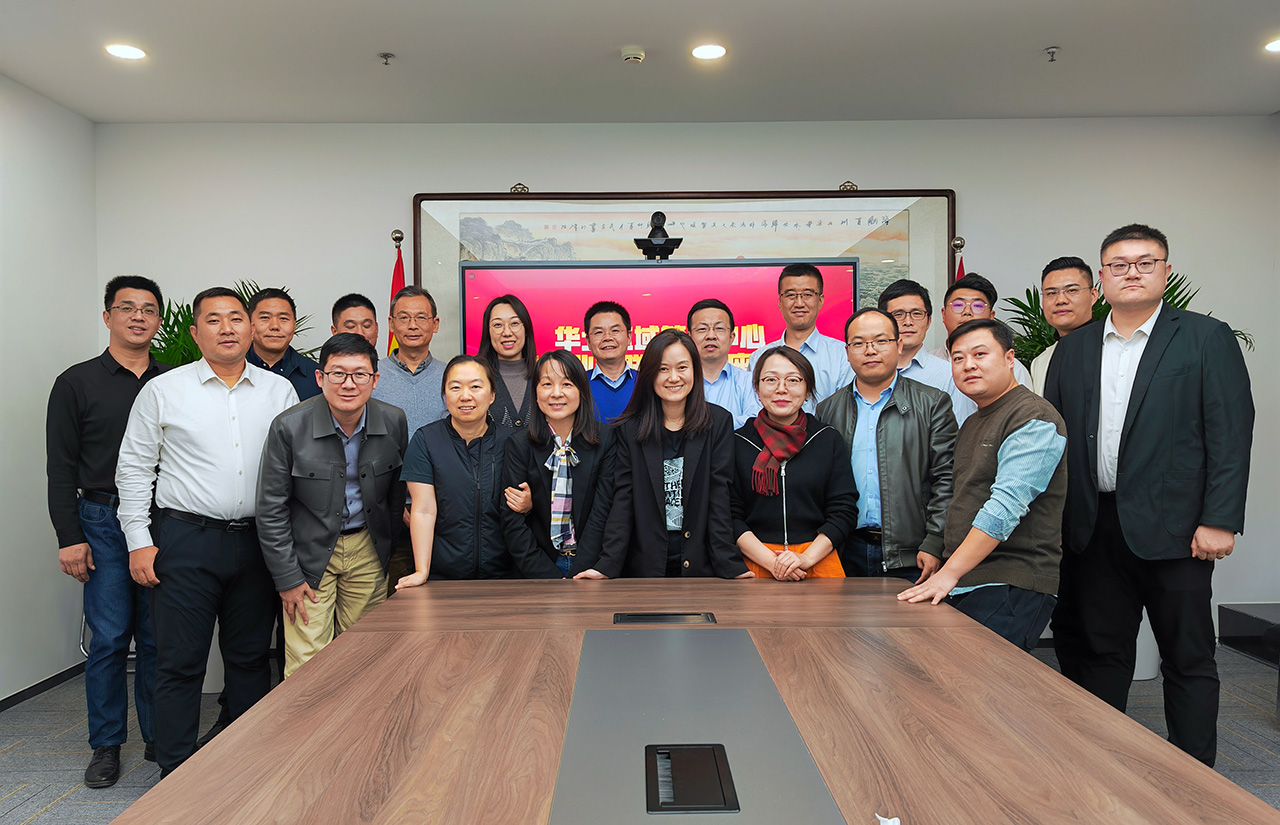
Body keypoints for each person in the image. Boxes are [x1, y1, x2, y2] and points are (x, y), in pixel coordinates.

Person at [1045, 224, 1254, 766]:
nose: (1132, 272)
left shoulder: (1205, 337)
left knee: (1188, 657)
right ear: (1101, 278)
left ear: (1165, 270)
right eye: (1119, 265)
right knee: (1100, 654)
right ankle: (1102, 770)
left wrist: (1220, 518)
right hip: (1093, 527)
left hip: (1179, 529)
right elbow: (1056, 444)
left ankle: (1193, 777)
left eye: (1145, 262)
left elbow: (1230, 432)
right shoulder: (1074, 347)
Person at [116, 287, 299, 775]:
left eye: (236, 318)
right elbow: (134, 469)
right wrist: (139, 541)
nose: (227, 328)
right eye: (213, 320)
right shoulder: (163, 391)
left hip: (257, 543)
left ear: (251, 329)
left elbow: (294, 470)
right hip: (185, 541)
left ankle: (244, 764)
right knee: (180, 662)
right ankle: (175, 769)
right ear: (195, 333)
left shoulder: (279, 391)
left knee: (250, 658)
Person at [46, 275, 167, 788]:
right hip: (100, 520)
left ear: (158, 320)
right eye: (127, 308)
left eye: (148, 309)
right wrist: (68, 536)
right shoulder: (76, 382)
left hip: (163, 520)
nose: (138, 316)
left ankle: (161, 739)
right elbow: (59, 467)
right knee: (111, 638)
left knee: (159, 638)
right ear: (107, 317)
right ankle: (107, 744)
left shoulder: (173, 381)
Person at [899, 319, 1066, 654]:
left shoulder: (1032, 416)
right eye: (958, 358)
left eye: (979, 354)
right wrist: (939, 552)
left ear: (1009, 359)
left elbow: (1004, 508)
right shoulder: (974, 421)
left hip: (1010, 581)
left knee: (985, 682)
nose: (968, 365)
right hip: (970, 579)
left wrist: (949, 573)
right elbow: (961, 495)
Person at [255, 333, 408, 676]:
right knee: (308, 662)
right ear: (320, 377)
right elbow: (271, 509)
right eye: (338, 373)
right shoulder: (289, 427)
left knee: (365, 656)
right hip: (308, 554)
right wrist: (287, 578)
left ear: (375, 379)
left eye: (360, 374)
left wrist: (385, 552)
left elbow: (394, 496)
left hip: (367, 549)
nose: (348, 384)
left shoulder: (394, 421)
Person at [582, 329, 751, 579]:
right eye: (663, 369)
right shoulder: (630, 430)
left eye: (682, 367)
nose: (674, 377)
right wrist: (606, 566)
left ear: (695, 370)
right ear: (649, 374)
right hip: (644, 568)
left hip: (702, 566)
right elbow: (623, 502)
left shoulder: (718, 422)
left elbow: (719, 497)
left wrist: (731, 566)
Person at [817, 308, 955, 582]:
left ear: (898, 345)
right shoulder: (827, 410)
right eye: (859, 343)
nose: (870, 350)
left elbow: (947, 478)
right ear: (847, 352)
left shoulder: (932, 404)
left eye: (881, 341)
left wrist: (934, 541)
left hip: (913, 553)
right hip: (844, 549)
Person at [730, 346, 856, 580]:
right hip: (755, 562)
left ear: (807, 390)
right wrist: (773, 563)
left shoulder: (826, 439)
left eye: (793, 380)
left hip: (816, 560)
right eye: (771, 380)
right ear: (756, 388)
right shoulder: (738, 442)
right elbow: (730, 514)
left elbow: (843, 510)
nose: (781, 389)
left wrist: (805, 559)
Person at [395, 355, 513, 585]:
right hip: (443, 576)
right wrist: (421, 571)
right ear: (444, 394)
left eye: (476, 387)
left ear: (492, 395)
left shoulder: (512, 442)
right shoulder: (426, 440)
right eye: (455, 387)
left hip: (505, 575)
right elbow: (423, 510)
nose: (465, 396)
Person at [500, 350, 616, 578]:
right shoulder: (519, 445)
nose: (556, 393)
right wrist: (548, 576)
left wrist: (580, 570)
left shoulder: (605, 439)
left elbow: (603, 511)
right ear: (535, 392)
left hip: (592, 567)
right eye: (546, 384)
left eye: (567, 384)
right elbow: (511, 520)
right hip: (538, 568)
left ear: (581, 390)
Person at [370, 285, 448, 591]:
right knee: (395, 599)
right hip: (386, 511)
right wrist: (396, 504)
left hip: (445, 511)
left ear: (435, 324)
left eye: (421, 318)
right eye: (404, 318)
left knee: (446, 600)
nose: (412, 325)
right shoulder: (371, 376)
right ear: (391, 324)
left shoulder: (452, 377)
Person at [747, 263, 853, 407]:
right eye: (791, 295)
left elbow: (844, 409)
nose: (799, 303)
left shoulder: (842, 355)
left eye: (807, 295)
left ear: (820, 300)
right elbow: (755, 408)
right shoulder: (759, 357)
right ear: (780, 302)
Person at [878, 279, 973, 423]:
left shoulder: (949, 375)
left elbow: (960, 429)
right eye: (898, 314)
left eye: (916, 314)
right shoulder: (864, 370)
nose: (908, 322)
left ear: (928, 321)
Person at [929, 273, 1034, 391]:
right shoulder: (927, 364)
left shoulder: (1010, 367)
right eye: (958, 305)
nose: (967, 312)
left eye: (977, 306)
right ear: (943, 314)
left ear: (991, 316)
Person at [1028, 257, 1098, 394]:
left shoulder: (1111, 349)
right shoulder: (1040, 362)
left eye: (1071, 290)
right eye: (1051, 293)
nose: (1060, 300)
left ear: (1093, 296)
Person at [688, 298, 760, 429]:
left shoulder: (748, 381)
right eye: (702, 329)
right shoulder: (680, 382)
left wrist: (707, 427)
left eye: (719, 328)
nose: (711, 335)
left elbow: (754, 420)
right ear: (689, 337)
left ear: (731, 337)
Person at [246, 287, 321, 400]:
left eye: (283, 318)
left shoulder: (316, 375)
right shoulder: (231, 371)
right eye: (265, 317)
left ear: (294, 325)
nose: (275, 326)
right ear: (249, 323)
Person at [478, 294, 535, 430]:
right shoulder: (475, 377)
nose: (507, 332)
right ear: (488, 332)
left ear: (526, 329)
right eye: (498, 325)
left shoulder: (543, 376)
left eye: (514, 323)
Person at [583, 300, 636, 423]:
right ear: (588, 342)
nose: (607, 337)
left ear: (629, 337)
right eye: (598, 332)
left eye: (615, 331)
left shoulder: (646, 381)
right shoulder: (578, 384)